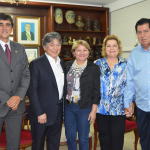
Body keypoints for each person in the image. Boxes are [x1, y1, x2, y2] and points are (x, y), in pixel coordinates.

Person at [28, 32, 65, 150]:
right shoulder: (36, 64)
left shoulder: (61, 62)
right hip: (42, 113)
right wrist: (39, 112)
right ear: (44, 47)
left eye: (58, 44)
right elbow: (32, 90)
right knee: (38, 144)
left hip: (58, 111)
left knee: (54, 143)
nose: (56, 48)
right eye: (52, 45)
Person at [0, 13, 30, 150]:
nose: (4, 28)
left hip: (16, 107)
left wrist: (18, 96)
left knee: (14, 145)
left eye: (7, 24)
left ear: (12, 28)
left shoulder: (20, 48)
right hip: (2, 102)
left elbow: (25, 75)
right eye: (0, 24)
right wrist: (7, 99)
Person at [64, 40, 100, 150]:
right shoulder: (67, 65)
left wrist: (94, 111)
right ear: (73, 52)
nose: (82, 53)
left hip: (85, 107)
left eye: (85, 50)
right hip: (68, 106)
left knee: (83, 138)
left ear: (89, 52)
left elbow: (96, 91)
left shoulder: (93, 68)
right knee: (70, 137)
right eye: (78, 50)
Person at [94, 35, 127, 150]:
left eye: (114, 46)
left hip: (119, 110)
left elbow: (129, 87)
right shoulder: (97, 64)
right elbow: (92, 87)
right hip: (101, 110)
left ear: (118, 48)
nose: (111, 48)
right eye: (108, 46)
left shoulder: (125, 64)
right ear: (104, 48)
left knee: (117, 142)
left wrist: (130, 103)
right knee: (104, 141)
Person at [124, 18, 150, 150]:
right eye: (139, 32)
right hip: (142, 107)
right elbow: (130, 81)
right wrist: (128, 102)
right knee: (145, 140)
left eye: (146, 31)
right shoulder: (134, 54)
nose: (142, 35)